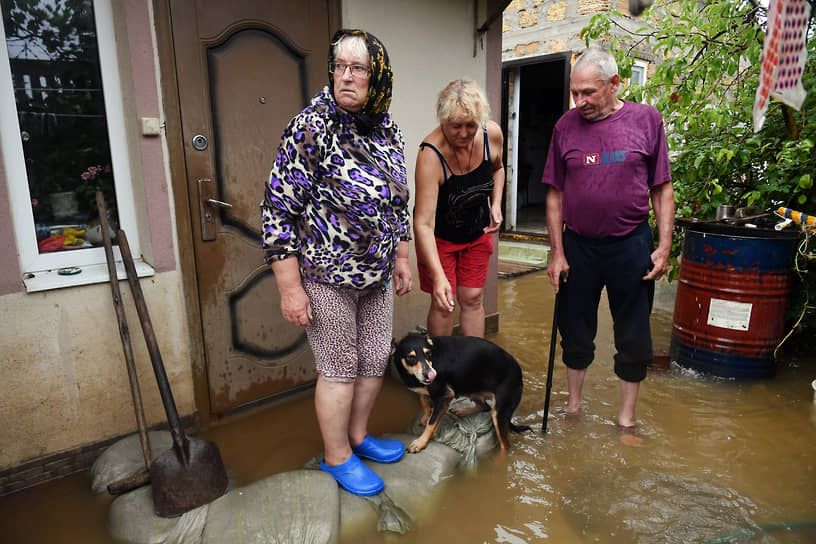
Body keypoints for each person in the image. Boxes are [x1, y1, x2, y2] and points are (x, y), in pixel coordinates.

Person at [260, 29, 412, 497]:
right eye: (339, 66)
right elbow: (277, 210)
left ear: (378, 76)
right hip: (327, 277)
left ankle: (358, 436)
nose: (346, 76)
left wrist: (402, 256)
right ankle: (336, 457)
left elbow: (397, 201)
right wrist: (289, 288)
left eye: (358, 68)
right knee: (341, 365)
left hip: (378, 273)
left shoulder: (387, 128)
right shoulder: (311, 126)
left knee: (373, 359)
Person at [541, 47, 674, 430]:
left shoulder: (646, 120)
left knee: (633, 333)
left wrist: (663, 247)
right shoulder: (565, 126)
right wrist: (557, 254)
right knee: (575, 330)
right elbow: (555, 194)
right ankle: (573, 407)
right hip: (578, 245)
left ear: (615, 84)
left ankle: (626, 419)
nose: (580, 101)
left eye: (589, 92)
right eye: (575, 93)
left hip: (631, 243)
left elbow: (662, 189)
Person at [413, 79, 505, 337]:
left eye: (470, 125)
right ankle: (441, 370)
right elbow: (422, 224)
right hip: (440, 237)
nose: (464, 133)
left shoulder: (491, 135)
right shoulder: (430, 154)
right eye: (456, 126)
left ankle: (473, 365)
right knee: (444, 303)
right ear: (442, 120)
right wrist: (438, 276)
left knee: (473, 298)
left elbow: (498, 170)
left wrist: (496, 204)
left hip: (477, 232)